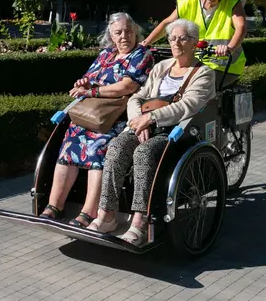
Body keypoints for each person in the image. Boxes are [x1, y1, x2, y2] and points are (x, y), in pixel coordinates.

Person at [88, 19, 216, 246]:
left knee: (144, 154)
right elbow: (138, 96)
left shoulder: (203, 73)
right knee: (116, 147)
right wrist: (138, 120)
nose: (176, 42)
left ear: (195, 42)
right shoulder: (161, 67)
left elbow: (188, 105)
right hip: (144, 123)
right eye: (172, 38)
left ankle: (140, 221)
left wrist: (152, 118)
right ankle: (106, 215)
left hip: (176, 129)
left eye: (183, 38)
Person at [40, 12, 154, 228]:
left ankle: (89, 211)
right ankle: (54, 206)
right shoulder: (106, 54)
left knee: (97, 148)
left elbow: (127, 87)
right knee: (69, 145)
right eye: (118, 32)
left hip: (115, 117)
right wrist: (83, 83)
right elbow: (89, 79)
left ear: (135, 32)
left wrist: (93, 92)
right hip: (91, 114)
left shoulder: (142, 55)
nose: (124, 36)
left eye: (128, 31)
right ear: (111, 35)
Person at [140, 0, 246, 88]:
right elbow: (167, 23)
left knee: (190, 87)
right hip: (193, 62)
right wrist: (145, 44)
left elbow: (241, 27)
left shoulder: (233, 1)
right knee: (161, 82)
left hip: (224, 68)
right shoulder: (190, 0)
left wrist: (229, 48)